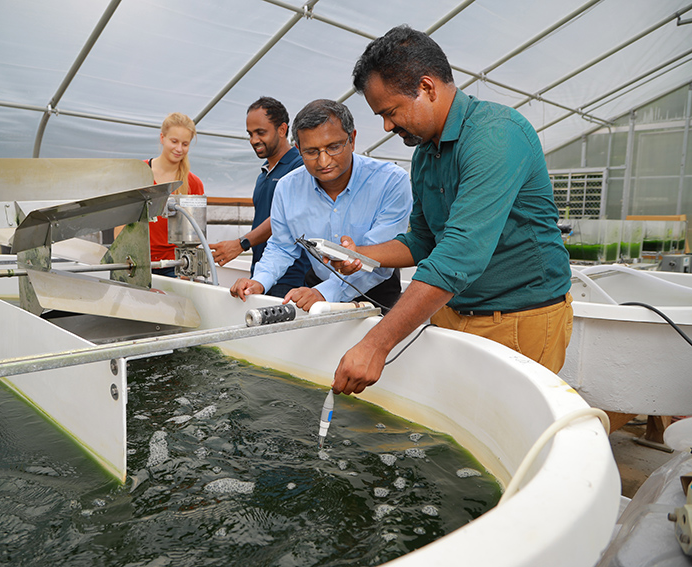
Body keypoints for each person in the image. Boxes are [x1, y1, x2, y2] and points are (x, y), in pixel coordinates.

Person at [331, 25, 573, 396]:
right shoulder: (425, 153)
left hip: (517, 318)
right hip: (451, 311)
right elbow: (423, 240)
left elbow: (460, 252)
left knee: (504, 436)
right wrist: (362, 255)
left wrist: (376, 343)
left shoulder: (496, 135)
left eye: (391, 111)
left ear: (427, 87)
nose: (386, 125)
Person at [229, 99, 412, 312]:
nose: (324, 161)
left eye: (333, 147)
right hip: (317, 287)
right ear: (298, 149)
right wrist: (259, 281)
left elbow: (378, 257)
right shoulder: (288, 188)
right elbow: (281, 247)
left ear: (352, 140)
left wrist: (325, 293)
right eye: (311, 152)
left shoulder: (390, 181)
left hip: (376, 291)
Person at [209, 97, 310, 298]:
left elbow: (284, 219)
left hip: (291, 278)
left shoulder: (300, 168)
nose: (254, 140)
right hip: (262, 275)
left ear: (282, 130)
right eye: (250, 134)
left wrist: (241, 243)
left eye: (260, 133)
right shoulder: (263, 175)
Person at [115, 112, 204, 277]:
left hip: (175, 266)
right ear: (162, 138)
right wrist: (122, 260)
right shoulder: (138, 174)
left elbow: (194, 234)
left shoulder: (193, 183)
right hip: (137, 263)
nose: (179, 149)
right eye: (174, 141)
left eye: (185, 144)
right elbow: (121, 222)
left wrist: (187, 272)